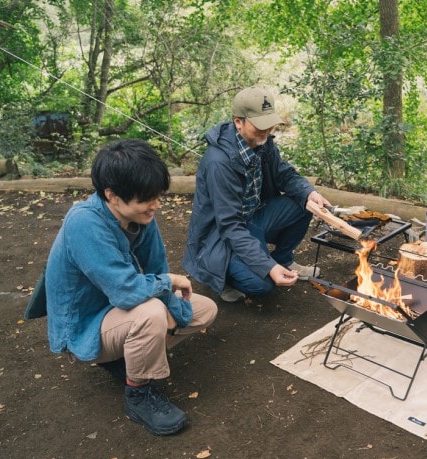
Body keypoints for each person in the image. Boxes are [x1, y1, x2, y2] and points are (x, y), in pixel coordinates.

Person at [30, 139, 218, 436]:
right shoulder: (84, 222)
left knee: (203, 309)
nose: (156, 204)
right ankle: (139, 395)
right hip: (85, 327)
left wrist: (171, 302)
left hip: (116, 312)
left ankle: (129, 356)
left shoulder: (141, 216)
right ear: (112, 196)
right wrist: (168, 284)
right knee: (151, 312)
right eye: (146, 198)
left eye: (157, 195)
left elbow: (156, 267)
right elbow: (127, 291)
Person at [183, 86, 330, 303]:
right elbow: (230, 225)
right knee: (262, 285)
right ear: (238, 122)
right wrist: (267, 267)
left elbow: (284, 175)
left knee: (303, 203)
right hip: (221, 236)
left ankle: (283, 260)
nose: (266, 130)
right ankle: (224, 278)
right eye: (259, 125)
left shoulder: (263, 143)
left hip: (255, 217)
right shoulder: (219, 163)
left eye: (269, 124)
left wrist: (309, 193)